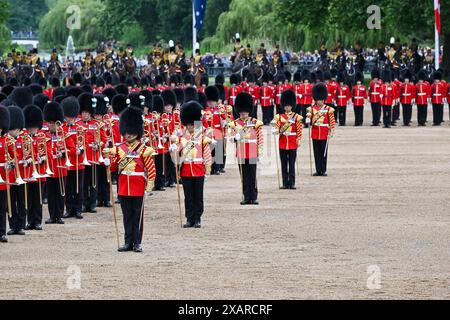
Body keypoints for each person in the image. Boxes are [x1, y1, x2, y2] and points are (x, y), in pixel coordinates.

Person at [106, 107, 156, 253]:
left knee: (137, 217)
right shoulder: (119, 149)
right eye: (126, 131)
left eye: (131, 131)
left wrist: (149, 186)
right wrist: (110, 163)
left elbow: (151, 168)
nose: (128, 134)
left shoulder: (143, 149)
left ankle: (137, 242)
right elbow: (114, 168)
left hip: (138, 186)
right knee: (127, 216)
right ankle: (128, 242)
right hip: (123, 186)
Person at [173, 101, 212, 228]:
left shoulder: (201, 137)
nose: (189, 126)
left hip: (198, 169)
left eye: (191, 124)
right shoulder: (182, 137)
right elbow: (176, 153)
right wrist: (173, 148)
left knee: (198, 196)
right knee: (188, 197)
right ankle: (189, 218)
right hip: (185, 170)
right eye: (188, 124)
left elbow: (207, 154)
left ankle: (198, 218)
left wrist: (207, 170)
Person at [229, 92, 264, 205]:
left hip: (253, 151)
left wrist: (260, 151)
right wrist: (235, 137)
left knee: (252, 175)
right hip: (241, 152)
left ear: (248, 110)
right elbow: (230, 138)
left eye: (245, 111)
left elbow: (260, 137)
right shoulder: (235, 124)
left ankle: (253, 197)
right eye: (241, 111)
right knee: (244, 176)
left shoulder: (255, 123)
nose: (243, 113)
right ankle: (246, 196)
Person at [272, 90, 303, 189]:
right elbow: (276, 126)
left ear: (292, 105)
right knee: (284, 164)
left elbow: (299, 129)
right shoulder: (279, 117)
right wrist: (275, 129)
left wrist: (299, 139)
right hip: (282, 142)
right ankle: (285, 183)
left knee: (292, 164)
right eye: (286, 106)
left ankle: (292, 182)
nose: (287, 107)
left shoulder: (296, 117)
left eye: (289, 106)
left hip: (293, 142)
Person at [43, 102, 67, 225]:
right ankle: (52, 216)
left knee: (60, 194)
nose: (51, 125)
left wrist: (62, 153)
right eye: (49, 123)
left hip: (61, 168)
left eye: (53, 123)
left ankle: (59, 215)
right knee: (51, 195)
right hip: (50, 170)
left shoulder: (63, 134)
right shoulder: (44, 135)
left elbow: (70, 149)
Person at [23, 105, 45, 230]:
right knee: (29, 199)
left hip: (39, 172)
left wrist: (40, 158)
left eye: (34, 127)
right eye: (30, 127)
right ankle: (30, 221)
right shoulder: (24, 138)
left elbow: (46, 153)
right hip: (28, 172)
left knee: (38, 199)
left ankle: (37, 221)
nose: (32, 130)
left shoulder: (42, 137)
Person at [306, 83, 335, 176]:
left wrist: (331, 131)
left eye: (321, 100)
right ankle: (318, 170)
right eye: (318, 100)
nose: (320, 102)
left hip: (324, 132)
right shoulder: (311, 109)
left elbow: (332, 122)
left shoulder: (328, 109)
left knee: (324, 152)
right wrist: (308, 120)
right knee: (316, 153)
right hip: (315, 132)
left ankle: (323, 170)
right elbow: (309, 121)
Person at [7, 106, 27, 236]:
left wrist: (26, 159)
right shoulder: (6, 140)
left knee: (21, 201)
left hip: (22, 175)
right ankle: (13, 225)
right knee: (11, 201)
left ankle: (21, 225)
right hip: (10, 176)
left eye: (14, 129)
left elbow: (29, 155)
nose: (13, 131)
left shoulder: (24, 140)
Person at [0, 106, 10, 242]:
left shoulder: (7, 142)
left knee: (2, 208)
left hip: (2, 178)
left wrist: (11, 164)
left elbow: (14, 157)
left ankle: (1, 232)